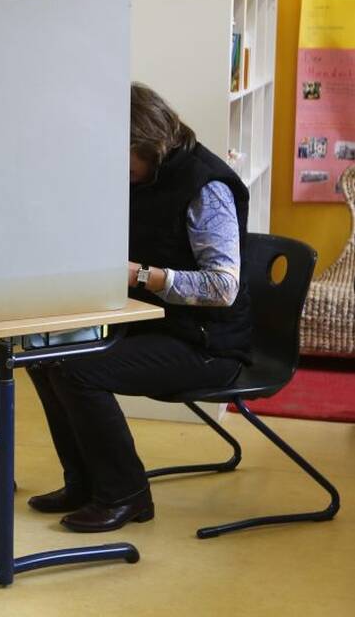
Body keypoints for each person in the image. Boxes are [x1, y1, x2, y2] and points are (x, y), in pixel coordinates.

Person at [26, 83, 252, 532]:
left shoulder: (206, 188)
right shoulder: (145, 177)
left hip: (209, 343)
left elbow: (223, 287)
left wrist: (139, 275)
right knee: (43, 353)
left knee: (77, 370)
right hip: (153, 326)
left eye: (119, 156)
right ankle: (85, 482)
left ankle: (126, 494)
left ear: (150, 143)